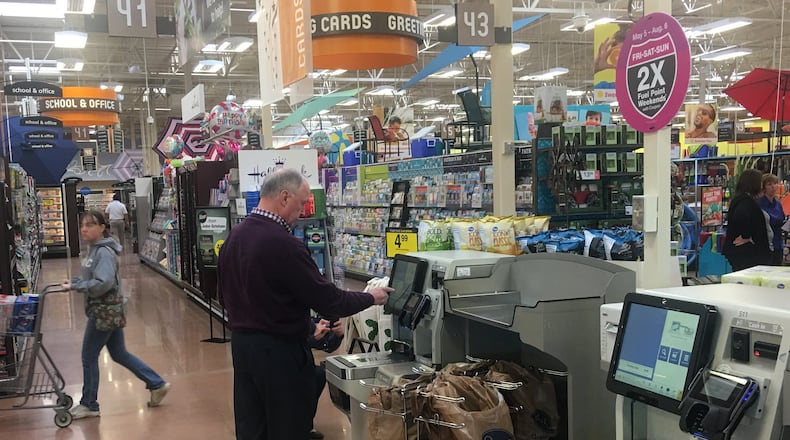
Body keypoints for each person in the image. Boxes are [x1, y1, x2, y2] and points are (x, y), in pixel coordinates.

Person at [217, 168, 392, 440]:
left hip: (243, 348)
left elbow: (228, 294)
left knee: (253, 426)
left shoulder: (235, 236)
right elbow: (328, 299)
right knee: (289, 425)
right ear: (284, 197)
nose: (302, 213)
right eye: (300, 205)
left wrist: (306, 323)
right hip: (280, 354)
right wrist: (373, 297)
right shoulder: (283, 244)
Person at [61, 210, 170, 420]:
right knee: (119, 353)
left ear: (102, 227)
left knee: (88, 356)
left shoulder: (103, 252)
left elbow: (104, 282)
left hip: (104, 312)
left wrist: (80, 286)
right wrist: (74, 282)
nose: (84, 229)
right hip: (110, 310)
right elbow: (91, 275)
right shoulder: (94, 250)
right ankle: (157, 383)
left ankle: (89, 404)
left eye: (90, 225)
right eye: (82, 225)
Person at [723, 169, 772, 271]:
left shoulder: (738, 200)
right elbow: (743, 219)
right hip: (748, 256)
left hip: (740, 253)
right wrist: (748, 237)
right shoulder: (747, 203)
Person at [306, 318, 344, 439]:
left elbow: (326, 345)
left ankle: (306, 425)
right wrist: (312, 339)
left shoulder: (302, 316)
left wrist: (337, 335)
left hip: (299, 363)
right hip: (277, 364)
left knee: (318, 374)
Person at [758, 173, 787, 265]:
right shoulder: (759, 204)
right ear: (764, 187)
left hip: (778, 243)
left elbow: (782, 220)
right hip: (766, 245)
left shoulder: (778, 203)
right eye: (769, 184)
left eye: (775, 184)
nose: (773, 187)